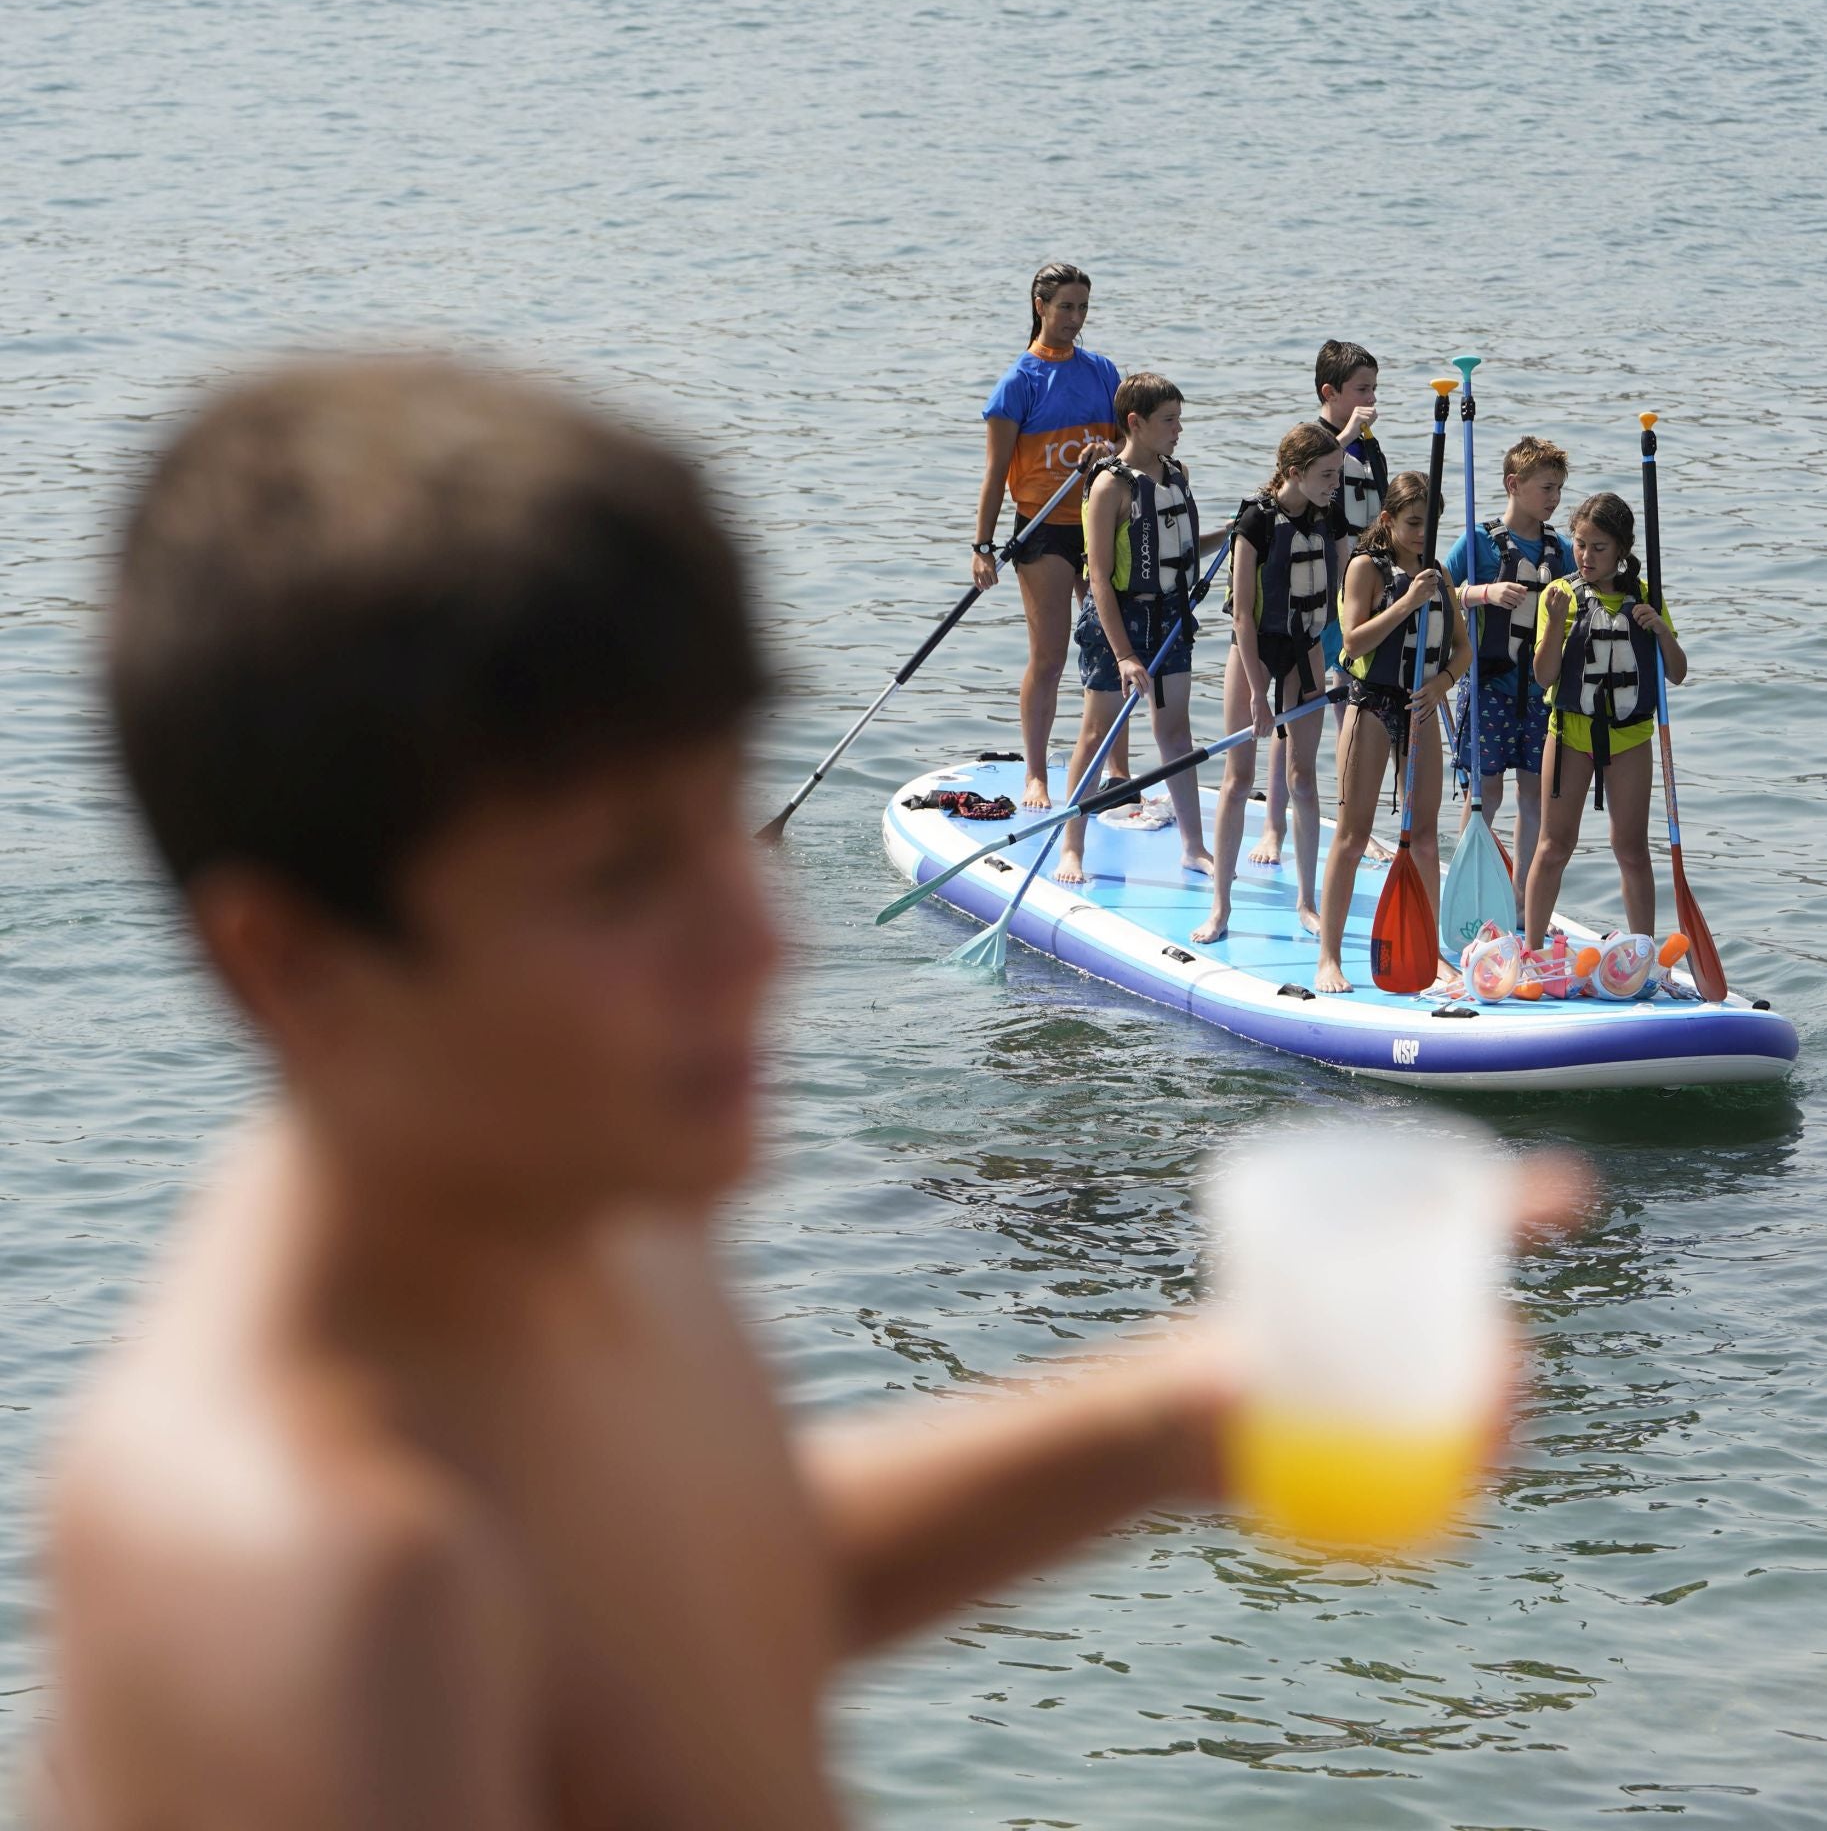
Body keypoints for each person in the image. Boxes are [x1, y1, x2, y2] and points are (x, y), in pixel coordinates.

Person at [40, 355, 1588, 1831]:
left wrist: (1165, 1425)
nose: (756, 935)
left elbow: (691, 1589)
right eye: (615, 878)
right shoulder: (332, 1592)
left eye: (720, 816)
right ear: (292, 966)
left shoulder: (545, 1223)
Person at [972, 261, 1125, 809]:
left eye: (1083, 308)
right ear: (1040, 306)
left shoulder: (1104, 372)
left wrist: (1108, 452)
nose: (1075, 318)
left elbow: (1129, 446)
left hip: (1102, 525)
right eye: (1065, 307)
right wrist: (983, 546)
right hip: (1043, 530)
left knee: (1112, 648)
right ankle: (1036, 773)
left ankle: (1117, 767)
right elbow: (994, 475)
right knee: (1052, 657)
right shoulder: (1019, 382)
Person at [1054, 375, 1217, 886]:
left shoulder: (1178, 475)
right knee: (1096, 733)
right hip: (1116, 624)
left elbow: (1186, 549)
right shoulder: (1109, 486)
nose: (1178, 429)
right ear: (1136, 423)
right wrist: (1124, 654)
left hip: (1170, 619)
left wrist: (1236, 532)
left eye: (1179, 418)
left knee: (1176, 733)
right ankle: (1071, 848)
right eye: (1169, 420)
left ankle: (1193, 846)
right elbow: (1097, 577)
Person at [1315, 474, 1470, 993]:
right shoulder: (1365, 568)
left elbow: (1462, 647)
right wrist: (1406, 602)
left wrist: (1443, 684)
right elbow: (1353, 643)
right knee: (1353, 836)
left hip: (1421, 709)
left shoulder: (1439, 573)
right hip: (1372, 707)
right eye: (1413, 523)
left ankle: (1432, 954)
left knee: (1424, 839)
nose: (1423, 534)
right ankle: (1329, 957)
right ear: (1388, 521)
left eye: (1431, 524)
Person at [1194, 423, 1343, 945]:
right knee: (1238, 779)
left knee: (1304, 780)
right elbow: (1242, 617)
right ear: (1296, 473)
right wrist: (1258, 694)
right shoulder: (1255, 520)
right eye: (1326, 475)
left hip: (1305, 651)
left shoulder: (1329, 516)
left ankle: (1307, 902)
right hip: (1254, 650)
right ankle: (1221, 905)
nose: (1334, 484)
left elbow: (1341, 593)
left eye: (1339, 474)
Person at [1523, 491, 1684, 949]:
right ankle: (1533, 950)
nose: (1586, 556)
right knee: (1554, 847)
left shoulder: (1644, 598)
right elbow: (1543, 676)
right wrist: (1553, 624)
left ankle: (1641, 953)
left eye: (1598, 547)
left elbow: (1677, 672)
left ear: (1621, 550)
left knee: (1630, 849)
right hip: (1569, 735)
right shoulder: (1558, 595)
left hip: (1629, 739)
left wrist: (1660, 630)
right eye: (1579, 545)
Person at [1250, 340, 1384, 869]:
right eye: (1361, 389)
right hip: (1312, 601)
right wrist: (1346, 439)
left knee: (1352, 709)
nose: (1372, 399)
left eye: (1375, 387)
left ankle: (1355, 825)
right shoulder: (1316, 444)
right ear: (1330, 393)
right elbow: (1286, 507)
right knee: (1294, 715)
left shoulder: (1367, 446)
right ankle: (1273, 825)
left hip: (1358, 591)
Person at [1445, 435, 1572, 919]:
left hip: (1541, 694)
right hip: (1489, 689)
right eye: (1546, 488)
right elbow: (1439, 589)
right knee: (1486, 793)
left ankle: (1522, 899)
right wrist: (1484, 592)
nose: (1554, 498)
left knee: (1533, 794)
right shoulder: (1478, 540)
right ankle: (1469, 887)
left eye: (1559, 489)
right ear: (1513, 485)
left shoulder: (1559, 550)